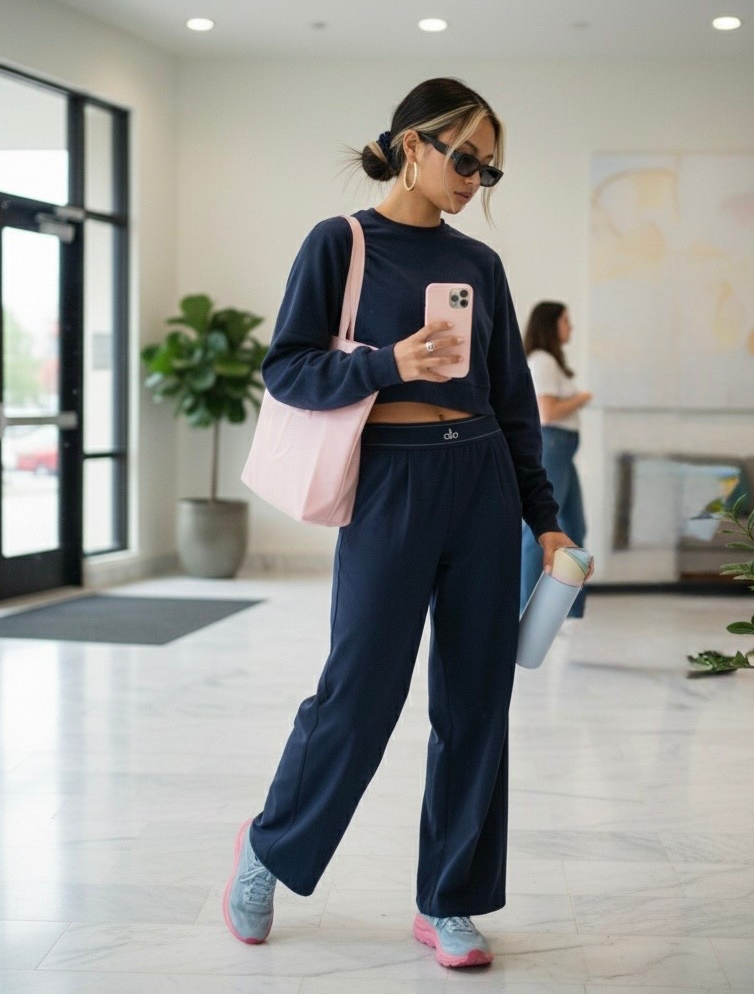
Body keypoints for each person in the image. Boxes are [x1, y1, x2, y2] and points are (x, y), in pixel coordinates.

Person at [223, 78, 585, 970]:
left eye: (488, 169)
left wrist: (542, 520)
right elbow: (288, 370)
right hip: (390, 482)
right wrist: (390, 362)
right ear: (412, 145)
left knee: (475, 699)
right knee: (362, 689)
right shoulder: (340, 243)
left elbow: (514, 404)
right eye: (464, 158)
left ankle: (450, 899)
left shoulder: (481, 266)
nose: (474, 179)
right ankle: (271, 848)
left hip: (482, 480)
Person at [519, 302, 592, 619]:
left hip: (563, 450)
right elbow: (547, 412)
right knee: (541, 533)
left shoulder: (550, 362)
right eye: (566, 320)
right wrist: (581, 398)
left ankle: (571, 612)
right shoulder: (543, 361)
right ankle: (527, 610)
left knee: (575, 528)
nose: (571, 327)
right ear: (551, 324)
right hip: (553, 447)